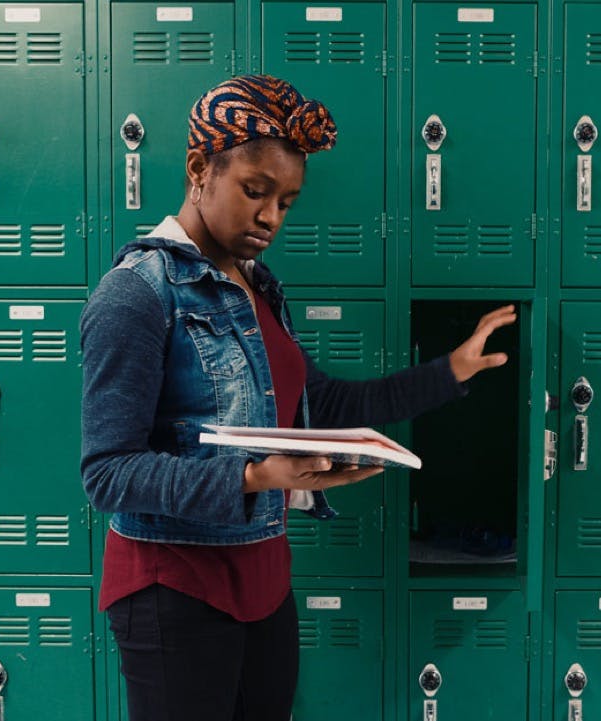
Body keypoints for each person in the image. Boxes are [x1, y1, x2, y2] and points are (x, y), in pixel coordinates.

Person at [80, 74, 516, 721]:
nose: (270, 218)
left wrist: (449, 370)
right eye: (254, 191)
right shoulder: (136, 293)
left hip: (263, 585)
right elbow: (107, 472)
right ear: (199, 168)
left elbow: (324, 402)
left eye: (286, 201)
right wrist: (255, 475)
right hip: (174, 589)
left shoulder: (255, 287)